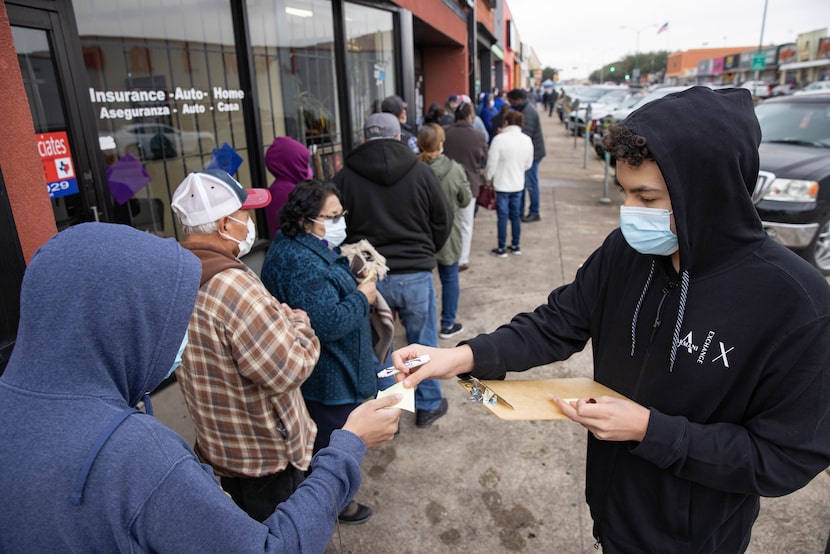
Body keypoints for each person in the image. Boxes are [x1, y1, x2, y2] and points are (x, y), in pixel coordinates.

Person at [390, 87, 830, 553]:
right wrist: (460, 356)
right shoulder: (626, 252)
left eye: (647, 197)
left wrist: (650, 430)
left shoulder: (795, 303)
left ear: (709, 194)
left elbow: (783, 457)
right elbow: (556, 323)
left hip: (696, 537)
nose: (629, 214)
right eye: (624, 192)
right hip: (612, 506)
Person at [0, 222, 402, 553]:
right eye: (171, 321)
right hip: (270, 459)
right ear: (126, 323)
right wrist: (349, 443)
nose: (182, 340)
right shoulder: (136, 455)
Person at [169, 169, 320, 522]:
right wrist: (298, 321)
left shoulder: (175, 275)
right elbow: (290, 368)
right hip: (266, 456)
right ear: (224, 225)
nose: (250, 222)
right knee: (285, 536)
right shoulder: (232, 286)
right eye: (244, 214)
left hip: (220, 445)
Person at [260, 179, 379, 524]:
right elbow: (327, 323)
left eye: (341, 214)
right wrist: (363, 297)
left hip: (331, 371)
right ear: (304, 219)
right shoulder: (300, 261)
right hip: (328, 377)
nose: (339, 222)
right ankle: (336, 503)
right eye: (331, 216)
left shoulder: (303, 245)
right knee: (332, 445)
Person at [332, 112, 453, 427]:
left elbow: (335, 225)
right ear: (399, 136)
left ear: (364, 138)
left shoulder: (344, 178)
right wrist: (427, 251)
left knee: (379, 348)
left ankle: (387, 417)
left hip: (370, 277)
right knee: (423, 344)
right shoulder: (422, 173)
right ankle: (427, 405)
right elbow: (443, 218)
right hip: (415, 273)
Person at [418, 123, 472, 339]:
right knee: (449, 278)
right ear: (440, 144)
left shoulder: (414, 170)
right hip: (449, 235)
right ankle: (447, 324)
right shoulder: (455, 169)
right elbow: (466, 199)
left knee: (424, 280)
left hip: (421, 236)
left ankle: (424, 326)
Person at [443, 101, 488, 272]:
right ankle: (462, 259)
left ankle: (446, 255)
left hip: (446, 182)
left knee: (447, 221)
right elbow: (483, 156)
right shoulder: (478, 135)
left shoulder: (445, 132)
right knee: (466, 223)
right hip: (469, 183)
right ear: (470, 116)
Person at [484, 110, 533, 258]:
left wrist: (488, 178)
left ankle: (501, 247)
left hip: (501, 184)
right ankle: (516, 245)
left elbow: (491, 163)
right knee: (516, 216)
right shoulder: (527, 140)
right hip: (518, 183)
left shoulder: (499, 139)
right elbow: (528, 164)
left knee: (502, 217)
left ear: (506, 122)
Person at [507, 88, 546, 223]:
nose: (510, 104)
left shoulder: (528, 112)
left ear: (518, 100)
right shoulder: (525, 109)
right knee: (524, 183)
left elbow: (525, 135)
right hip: (530, 152)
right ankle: (520, 211)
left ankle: (534, 212)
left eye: (511, 101)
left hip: (533, 154)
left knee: (530, 184)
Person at [263, 135, 313, 239]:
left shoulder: (280, 188)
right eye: (304, 164)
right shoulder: (288, 192)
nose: (308, 169)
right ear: (294, 164)